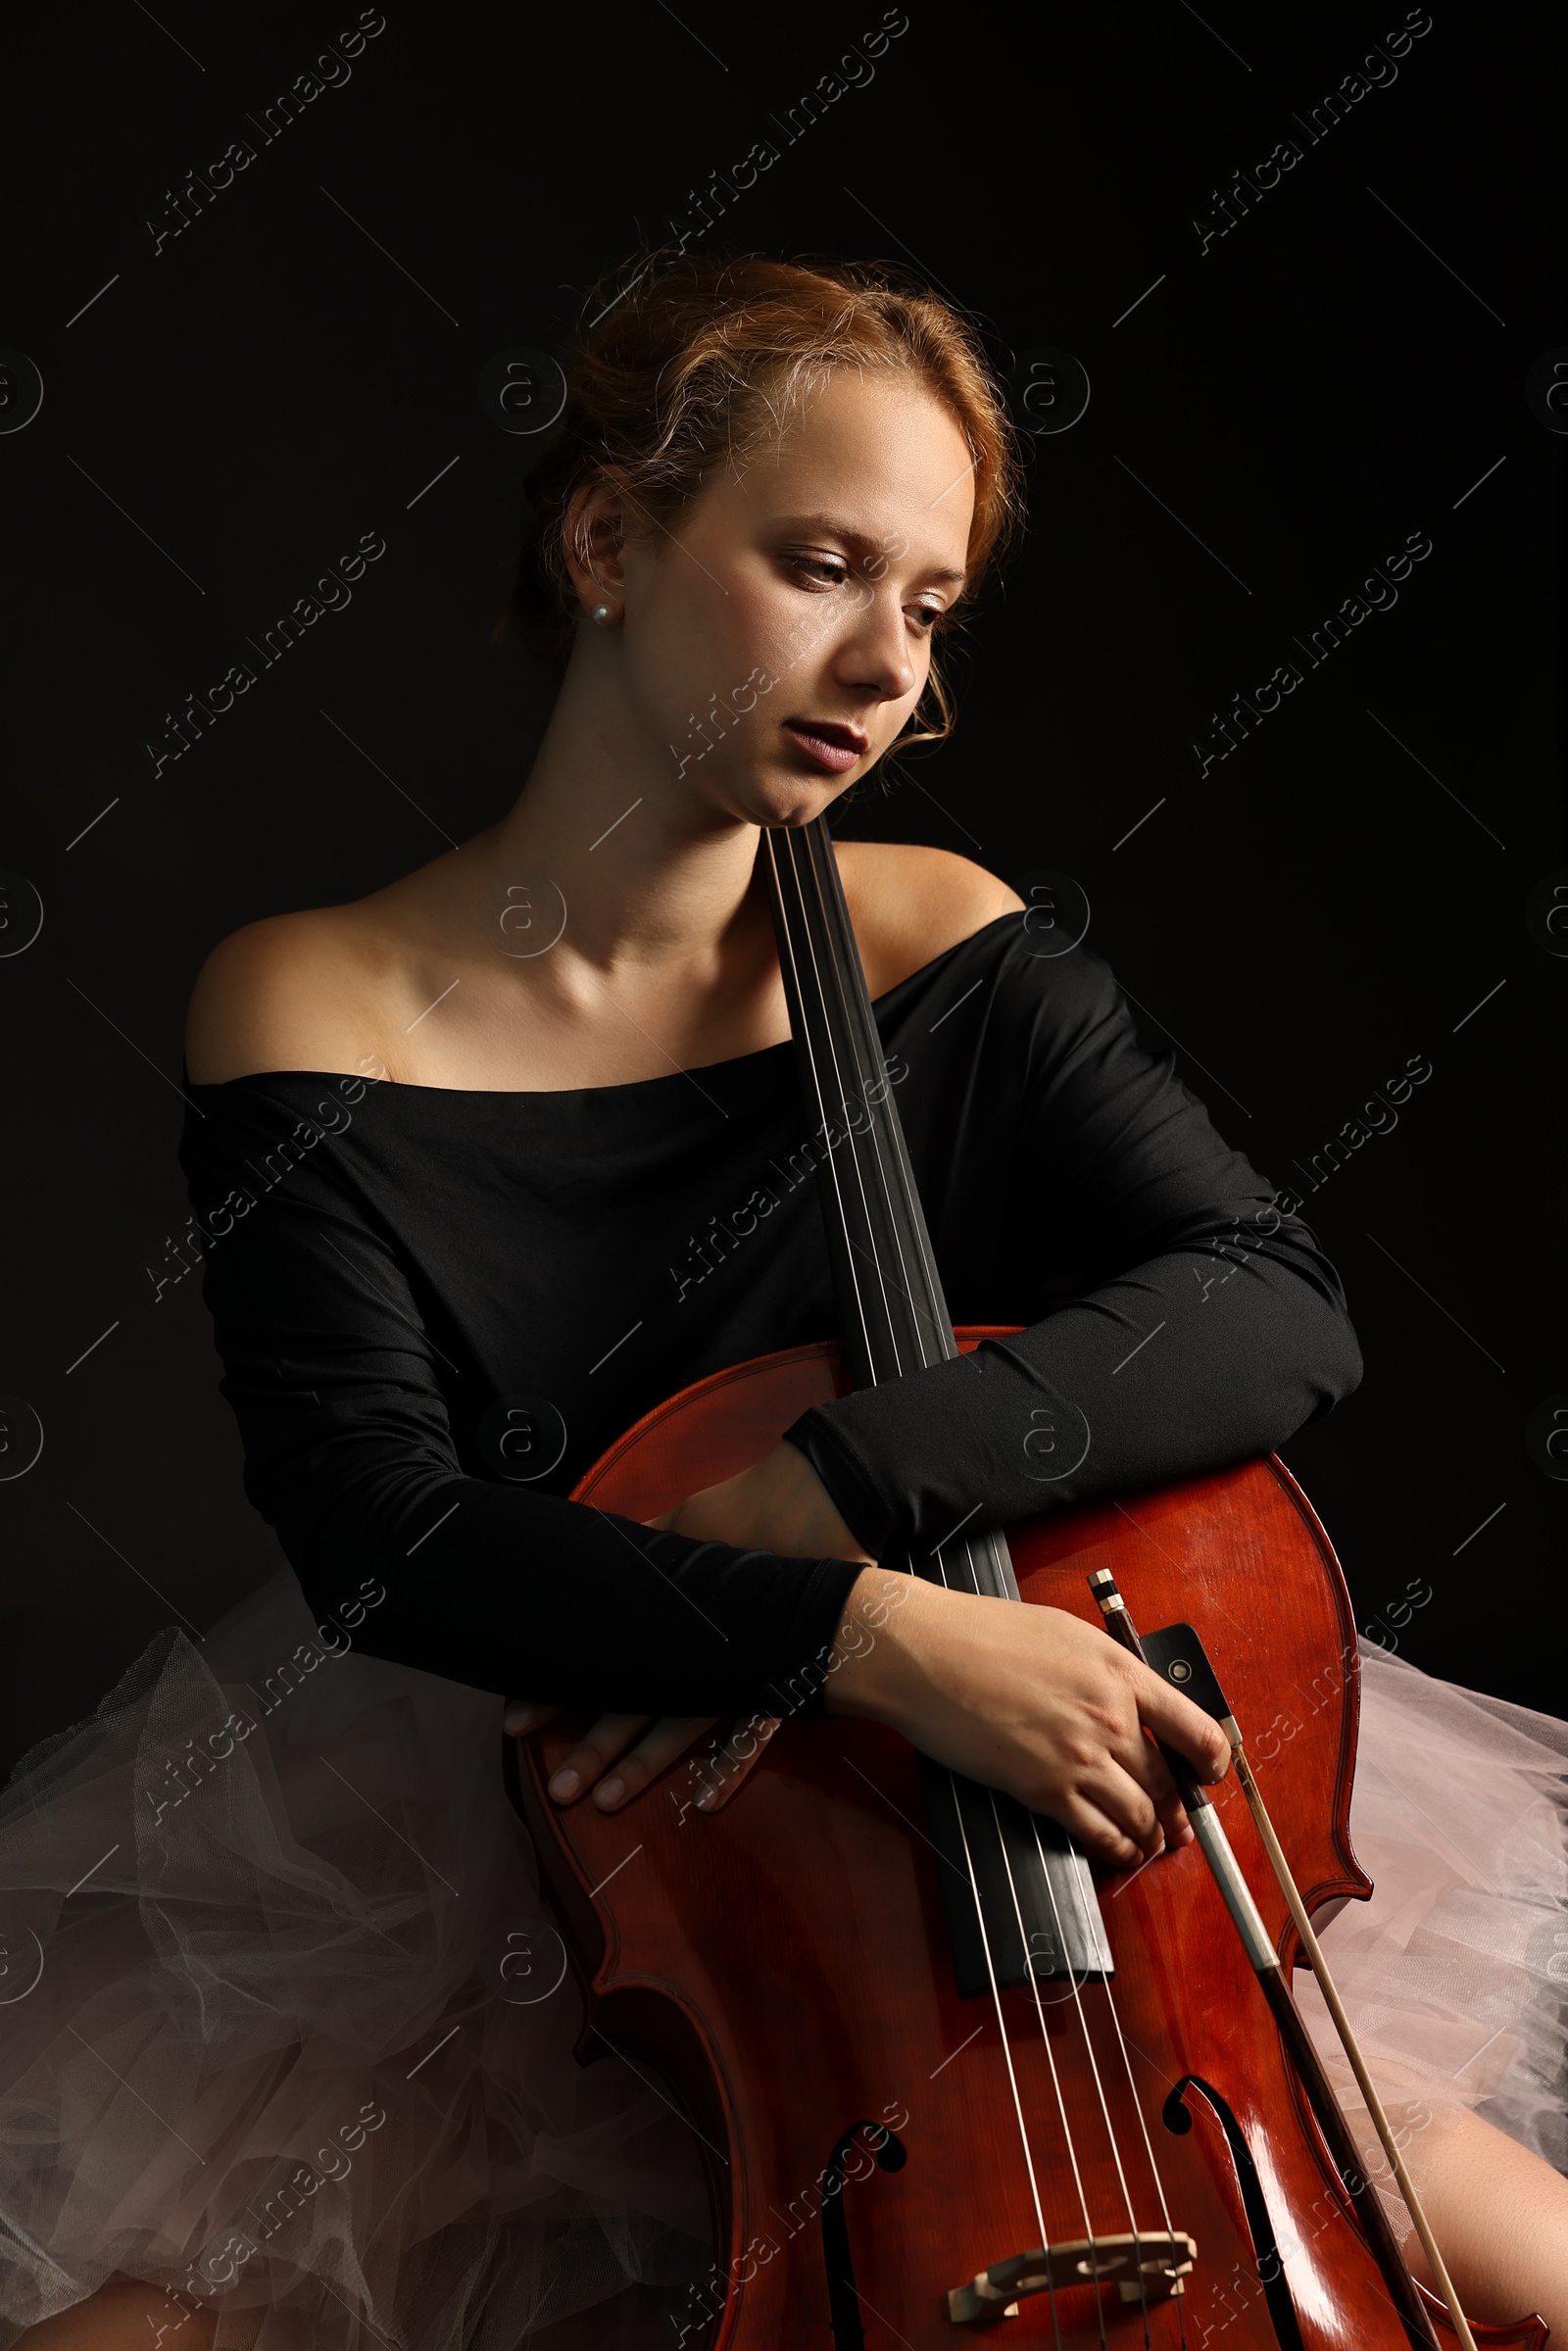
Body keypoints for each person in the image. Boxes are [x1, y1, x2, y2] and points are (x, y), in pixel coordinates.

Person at [2, 253, 1564, 2349]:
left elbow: (1266, 1305)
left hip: (1033, 1860)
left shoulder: (934, 937)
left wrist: (837, 1488)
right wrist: (869, 1635)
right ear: (607, 537)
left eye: (923, 606)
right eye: (817, 563)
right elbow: (378, 1532)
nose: (878, 663)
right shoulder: (317, 997)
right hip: (559, 1836)